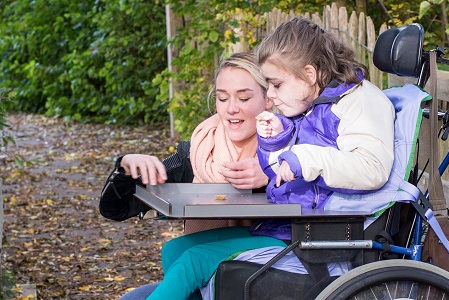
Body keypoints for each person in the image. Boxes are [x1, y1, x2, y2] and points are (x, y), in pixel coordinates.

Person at [149, 17, 397, 299]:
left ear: (310, 74)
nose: (271, 95)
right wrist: (276, 141)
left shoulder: (360, 101)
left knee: (193, 262)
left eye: (276, 84)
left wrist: (302, 157)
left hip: (323, 239)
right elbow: (286, 168)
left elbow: (371, 169)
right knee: (174, 249)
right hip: (290, 227)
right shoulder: (310, 105)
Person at [99, 52, 278, 300]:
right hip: (205, 280)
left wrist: (271, 171)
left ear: (268, 99)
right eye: (222, 98)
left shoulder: (288, 149)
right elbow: (116, 209)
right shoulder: (197, 152)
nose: (231, 109)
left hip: (268, 279)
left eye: (244, 97)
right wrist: (126, 168)